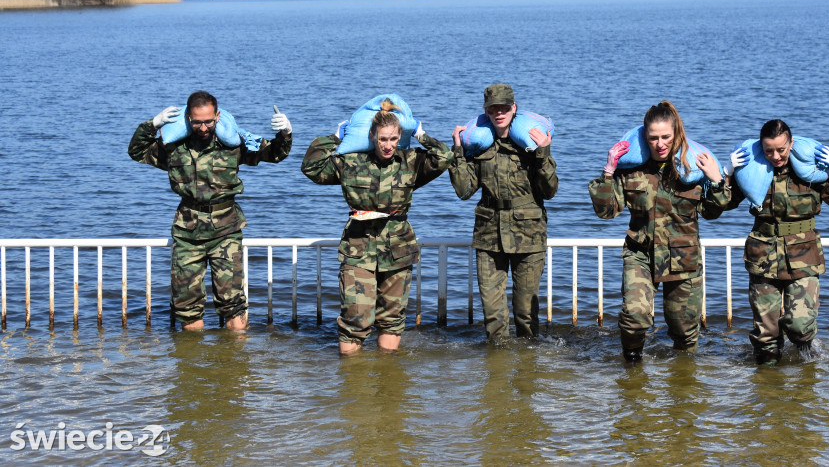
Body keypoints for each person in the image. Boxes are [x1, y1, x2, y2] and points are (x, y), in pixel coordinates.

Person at [128, 91, 292, 331]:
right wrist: (151, 125)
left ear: (217, 115)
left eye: (208, 121)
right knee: (187, 307)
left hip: (226, 231)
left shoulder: (234, 143)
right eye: (197, 122)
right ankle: (194, 365)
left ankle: (234, 363)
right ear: (187, 117)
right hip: (187, 234)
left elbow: (275, 154)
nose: (203, 128)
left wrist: (285, 133)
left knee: (233, 305)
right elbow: (137, 152)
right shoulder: (174, 147)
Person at [301, 101, 453, 355]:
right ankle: (353, 384)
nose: (388, 145)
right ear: (372, 136)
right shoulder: (351, 162)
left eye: (394, 138)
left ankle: (388, 380)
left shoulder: (411, 161)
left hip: (398, 248)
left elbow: (445, 157)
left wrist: (420, 133)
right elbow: (311, 168)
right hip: (358, 248)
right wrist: (334, 137)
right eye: (383, 138)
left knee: (391, 320)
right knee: (355, 318)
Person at [588, 101, 730, 363]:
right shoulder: (630, 169)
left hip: (683, 258)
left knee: (685, 331)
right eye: (653, 138)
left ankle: (683, 387)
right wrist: (608, 170)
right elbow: (606, 211)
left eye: (666, 137)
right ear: (645, 137)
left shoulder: (692, 170)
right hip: (640, 254)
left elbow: (712, 212)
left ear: (676, 135)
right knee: (634, 317)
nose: (660, 143)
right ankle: (632, 373)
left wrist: (716, 180)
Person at [722, 119, 829, 365]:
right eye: (769, 151)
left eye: (781, 149)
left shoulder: (810, 171)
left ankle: (808, 375)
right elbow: (721, 205)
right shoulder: (753, 173)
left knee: (800, 325)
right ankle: (768, 391)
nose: (776, 156)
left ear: (791, 144)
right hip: (763, 257)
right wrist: (728, 174)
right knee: (766, 335)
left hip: (804, 257)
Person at [449, 83, 558, 342]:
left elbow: (550, 190)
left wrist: (543, 153)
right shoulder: (480, 147)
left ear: (514, 109)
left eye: (504, 108)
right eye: (493, 109)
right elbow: (464, 191)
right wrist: (458, 152)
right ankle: (496, 370)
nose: (499, 113)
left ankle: (527, 372)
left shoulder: (532, 144)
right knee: (493, 316)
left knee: (526, 314)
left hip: (528, 237)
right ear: (486, 112)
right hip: (489, 237)